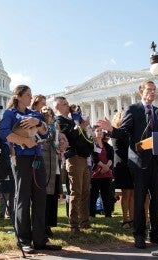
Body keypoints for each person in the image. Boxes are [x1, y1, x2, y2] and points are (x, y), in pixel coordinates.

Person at [97, 80, 158, 249]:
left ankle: (156, 233)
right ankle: (139, 233)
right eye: (149, 90)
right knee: (139, 199)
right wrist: (111, 129)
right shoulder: (133, 109)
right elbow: (124, 133)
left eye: (154, 90)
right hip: (139, 162)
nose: (152, 92)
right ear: (141, 91)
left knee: (156, 199)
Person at [0, 85, 61, 254]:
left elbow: (45, 132)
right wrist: (23, 141)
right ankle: (23, 240)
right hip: (20, 158)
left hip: (37, 158)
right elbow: (4, 133)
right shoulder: (10, 114)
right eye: (27, 95)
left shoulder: (34, 114)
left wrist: (39, 122)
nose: (30, 97)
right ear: (17, 96)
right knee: (23, 197)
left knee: (40, 197)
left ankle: (40, 239)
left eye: (31, 95)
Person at [54, 97, 94, 233]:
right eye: (64, 104)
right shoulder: (59, 120)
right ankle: (74, 224)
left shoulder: (73, 120)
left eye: (67, 103)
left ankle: (84, 221)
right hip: (74, 158)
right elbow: (69, 137)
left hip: (83, 157)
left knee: (85, 191)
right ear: (57, 107)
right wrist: (79, 127)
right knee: (76, 191)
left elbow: (83, 137)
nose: (68, 105)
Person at [30, 95, 66, 237]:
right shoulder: (36, 122)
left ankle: (48, 224)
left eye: (48, 108)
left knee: (52, 194)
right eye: (43, 106)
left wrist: (62, 143)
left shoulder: (54, 124)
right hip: (41, 159)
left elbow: (58, 138)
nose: (46, 110)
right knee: (41, 193)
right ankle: (40, 225)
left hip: (53, 160)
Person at [111, 111, 134, 229]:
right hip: (122, 165)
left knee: (132, 194)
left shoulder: (127, 133)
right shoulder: (115, 133)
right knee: (126, 194)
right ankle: (125, 218)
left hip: (131, 164)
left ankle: (132, 218)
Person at [90, 126, 114, 218]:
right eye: (97, 131)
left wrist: (107, 166)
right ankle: (92, 214)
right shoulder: (92, 145)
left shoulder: (107, 145)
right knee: (94, 195)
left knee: (107, 195)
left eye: (101, 130)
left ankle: (108, 214)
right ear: (94, 133)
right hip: (95, 174)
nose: (100, 132)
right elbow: (94, 158)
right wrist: (103, 166)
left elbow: (111, 157)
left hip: (107, 173)